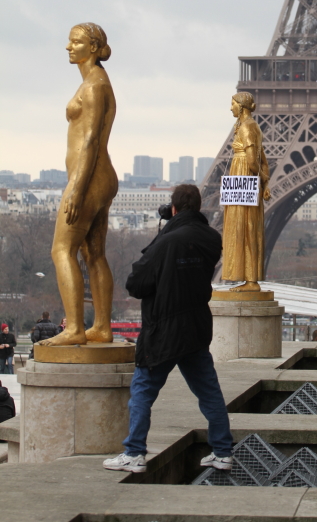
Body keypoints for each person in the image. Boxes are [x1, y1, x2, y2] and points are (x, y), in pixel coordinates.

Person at [103, 184, 233, 474]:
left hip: (163, 330)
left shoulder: (167, 242)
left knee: (142, 390)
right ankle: (222, 451)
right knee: (209, 391)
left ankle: (134, 453)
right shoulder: (212, 238)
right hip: (196, 327)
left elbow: (136, 284)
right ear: (198, 207)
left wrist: (164, 234)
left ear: (173, 208)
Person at [43, 23, 118, 347]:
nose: (68, 47)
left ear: (92, 46)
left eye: (75, 41)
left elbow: (88, 141)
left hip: (87, 179)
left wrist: (75, 188)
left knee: (61, 250)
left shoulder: (92, 86)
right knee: (94, 254)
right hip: (101, 178)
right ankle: (101, 327)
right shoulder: (98, 82)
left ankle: (74, 327)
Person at [222, 92, 270, 291]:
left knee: (245, 224)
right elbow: (262, 157)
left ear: (241, 106)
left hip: (243, 175)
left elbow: (252, 159)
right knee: (247, 225)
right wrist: (263, 181)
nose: (230, 108)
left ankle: (250, 281)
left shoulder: (248, 126)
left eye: (233, 104)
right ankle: (249, 278)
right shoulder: (250, 126)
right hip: (245, 178)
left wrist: (256, 178)